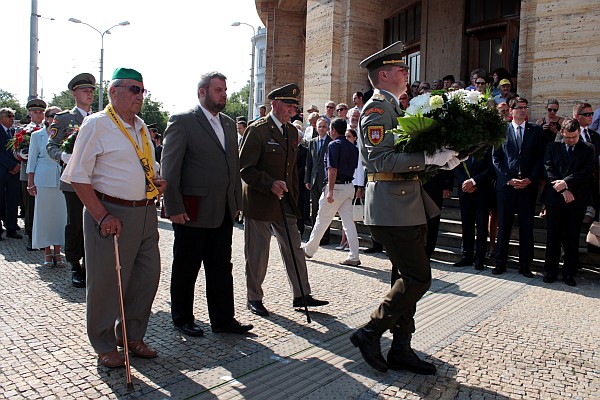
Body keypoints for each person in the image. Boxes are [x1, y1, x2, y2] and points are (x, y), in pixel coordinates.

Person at [350, 42, 460, 375]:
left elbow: (406, 160)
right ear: (383, 75)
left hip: (405, 203)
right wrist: (428, 158)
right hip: (390, 205)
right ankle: (370, 331)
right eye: (400, 69)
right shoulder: (376, 110)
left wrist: (445, 159)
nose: (406, 73)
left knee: (404, 278)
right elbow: (382, 160)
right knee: (418, 278)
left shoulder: (395, 108)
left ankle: (401, 348)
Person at [61, 67, 165, 368]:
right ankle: (104, 343)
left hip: (144, 213)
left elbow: (149, 167)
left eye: (142, 90)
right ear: (114, 92)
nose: (139, 96)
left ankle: (131, 335)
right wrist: (101, 214)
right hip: (111, 213)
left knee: (146, 278)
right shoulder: (97, 124)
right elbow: (78, 177)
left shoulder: (142, 126)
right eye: (134, 89)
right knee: (107, 282)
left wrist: (159, 182)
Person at [161, 71, 253, 337]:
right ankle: (182, 317)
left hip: (223, 209)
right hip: (192, 210)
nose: (224, 94)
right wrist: (174, 206)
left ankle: (223, 319)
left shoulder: (227, 124)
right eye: (218, 90)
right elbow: (170, 169)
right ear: (202, 92)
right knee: (186, 266)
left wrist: (236, 201)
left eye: (224, 89)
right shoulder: (183, 121)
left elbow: (233, 167)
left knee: (221, 267)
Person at [239, 83, 328, 317]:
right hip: (260, 201)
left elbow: (291, 170)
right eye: (289, 106)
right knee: (258, 253)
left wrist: (295, 198)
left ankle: (301, 294)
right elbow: (244, 168)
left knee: (294, 248)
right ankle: (254, 298)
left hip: (285, 201)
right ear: (275, 104)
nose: (292, 110)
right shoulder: (257, 130)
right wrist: (269, 183)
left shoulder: (290, 132)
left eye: (294, 106)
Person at [46, 72, 96, 288]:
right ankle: (75, 265)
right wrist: (63, 156)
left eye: (92, 90)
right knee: (75, 224)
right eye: (85, 90)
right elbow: (52, 146)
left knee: (95, 223)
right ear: (74, 93)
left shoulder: (99, 118)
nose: (89, 94)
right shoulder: (65, 118)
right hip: (74, 181)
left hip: (96, 181)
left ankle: (91, 265)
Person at [492, 97, 546, 277]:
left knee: (526, 226)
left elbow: (540, 158)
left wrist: (531, 179)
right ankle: (500, 262)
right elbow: (496, 158)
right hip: (507, 187)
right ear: (511, 111)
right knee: (504, 225)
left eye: (525, 107)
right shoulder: (502, 130)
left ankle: (525, 265)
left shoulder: (535, 131)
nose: (523, 110)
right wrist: (508, 179)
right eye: (519, 108)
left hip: (527, 187)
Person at [541, 118, 594, 286]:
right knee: (553, 237)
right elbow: (549, 169)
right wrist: (563, 189)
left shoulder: (587, 149)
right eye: (568, 137)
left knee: (572, 238)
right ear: (561, 133)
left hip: (576, 200)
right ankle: (550, 271)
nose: (571, 140)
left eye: (574, 137)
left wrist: (567, 183)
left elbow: (587, 171)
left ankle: (569, 273)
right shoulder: (552, 147)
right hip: (555, 199)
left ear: (579, 133)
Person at [302, 118, 360, 265]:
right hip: (349, 186)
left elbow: (332, 168)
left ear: (333, 130)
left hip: (336, 187)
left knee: (321, 220)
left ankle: (309, 250)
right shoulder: (353, 147)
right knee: (349, 223)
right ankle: (354, 256)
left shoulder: (333, 145)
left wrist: (330, 190)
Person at [26, 105, 67, 267]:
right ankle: (47, 252)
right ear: (47, 118)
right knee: (44, 217)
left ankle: (58, 252)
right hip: (43, 180)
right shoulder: (38, 136)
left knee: (59, 217)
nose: (56, 119)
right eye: (53, 115)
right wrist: (30, 183)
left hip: (61, 180)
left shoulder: (65, 136)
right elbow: (32, 160)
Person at [21, 98, 47, 250]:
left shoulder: (50, 129)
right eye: (35, 112)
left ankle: (44, 237)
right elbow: (16, 151)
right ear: (30, 113)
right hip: (28, 172)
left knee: (44, 207)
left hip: (46, 173)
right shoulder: (23, 130)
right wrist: (23, 154)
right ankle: (31, 237)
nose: (39, 115)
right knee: (30, 206)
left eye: (41, 112)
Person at [305, 117, 333, 245]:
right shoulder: (312, 142)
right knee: (315, 209)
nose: (321, 129)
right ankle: (314, 237)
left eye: (324, 126)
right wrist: (307, 179)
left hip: (326, 180)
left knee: (325, 210)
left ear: (327, 128)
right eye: (319, 126)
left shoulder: (331, 142)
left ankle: (325, 237)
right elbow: (308, 163)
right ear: (316, 128)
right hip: (313, 180)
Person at [0, 108, 21, 240]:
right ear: (1, 118)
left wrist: (16, 165)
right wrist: (12, 165)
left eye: (13, 116)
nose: (12, 119)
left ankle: (11, 228)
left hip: (13, 173)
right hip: (2, 171)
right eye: (9, 116)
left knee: (13, 201)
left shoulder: (13, 132)